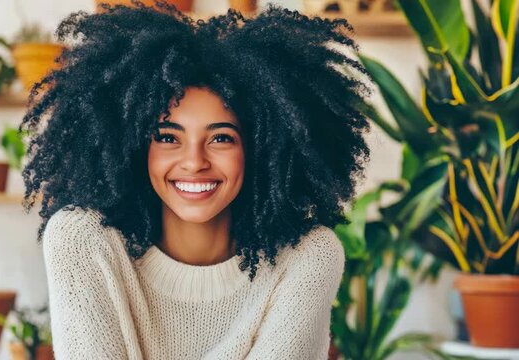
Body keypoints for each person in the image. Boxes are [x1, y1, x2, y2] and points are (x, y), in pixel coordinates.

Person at [20, 0, 371, 358]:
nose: (193, 162)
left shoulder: (306, 258)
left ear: (263, 150)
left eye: (221, 138)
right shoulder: (83, 241)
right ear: (135, 147)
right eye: (168, 137)